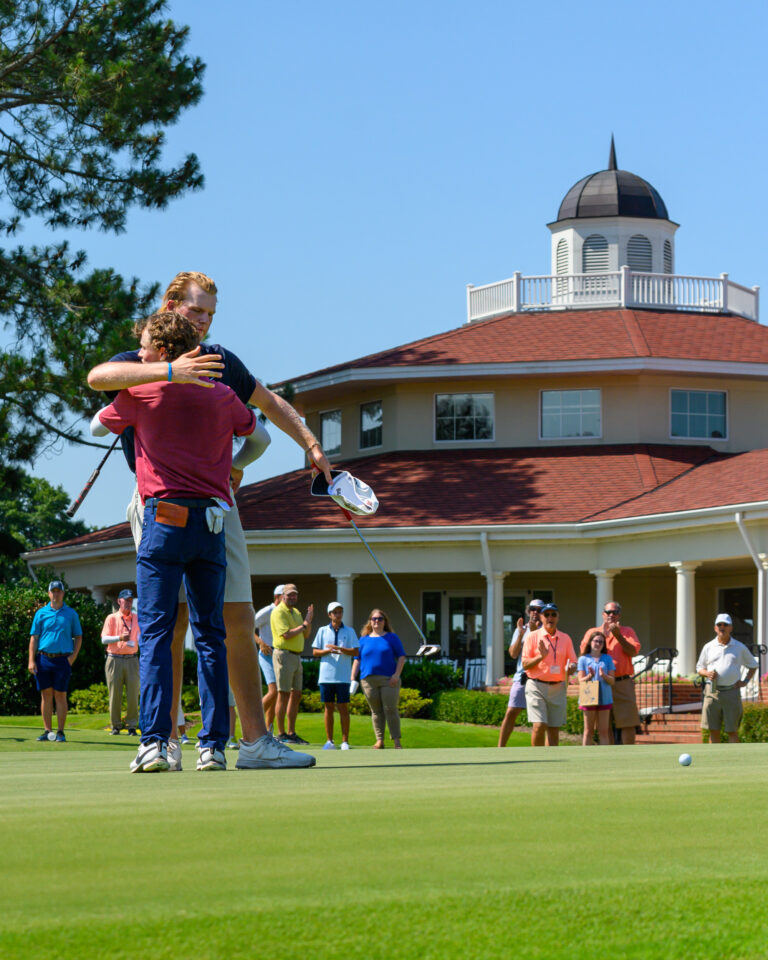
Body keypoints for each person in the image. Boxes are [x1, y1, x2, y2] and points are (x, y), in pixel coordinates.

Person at [87, 270, 331, 770]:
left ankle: (253, 743)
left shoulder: (221, 364)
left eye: (211, 315)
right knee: (171, 625)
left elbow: (269, 406)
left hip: (215, 504)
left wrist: (306, 444)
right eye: (196, 311)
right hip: (157, 505)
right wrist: (168, 372)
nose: (203, 323)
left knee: (234, 617)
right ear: (172, 305)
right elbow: (99, 378)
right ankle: (170, 741)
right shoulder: (141, 358)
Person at [28, 580, 82, 743]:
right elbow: (34, 638)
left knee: (60, 695)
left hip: (62, 660)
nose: (56, 594)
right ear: (49, 593)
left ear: (63, 593)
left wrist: (72, 657)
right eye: (53, 591)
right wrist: (31, 660)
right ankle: (47, 731)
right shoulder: (41, 613)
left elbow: (78, 637)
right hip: (44, 658)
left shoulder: (71, 614)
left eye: (59, 591)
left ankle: (60, 732)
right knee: (46, 695)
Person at [580, 601, 641, 744]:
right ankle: (608, 757)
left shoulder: (628, 632)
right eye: (608, 612)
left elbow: (633, 652)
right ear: (603, 614)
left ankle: (628, 759)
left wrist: (618, 636)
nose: (611, 615)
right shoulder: (592, 633)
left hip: (622, 682)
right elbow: (583, 654)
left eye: (615, 612)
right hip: (597, 683)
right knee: (603, 726)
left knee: (628, 723)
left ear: (619, 615)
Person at [521, 603, 577, 747]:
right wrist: (540, 656)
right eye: (546, 615)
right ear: (541, 617)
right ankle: (536, 760)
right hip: (536, 685)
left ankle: (550, 763)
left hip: (558, 687)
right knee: (539, 725)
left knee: (553, 730)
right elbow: (525, 664)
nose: (550, 617)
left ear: (558, 617)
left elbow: (573, 662)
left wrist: (572, 667)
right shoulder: (532, 637)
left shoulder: (565, 638)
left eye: (553, 614)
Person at [697, 614, 758, 743]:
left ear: (731, 628)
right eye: (719, 625)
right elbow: (699, 668)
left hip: (731, 692)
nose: (722, 627)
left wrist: (745, 682)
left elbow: (753, 665)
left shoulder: (739, 647)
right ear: (715, 628)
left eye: (725, 625)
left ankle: (734, 760)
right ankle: (714, 760)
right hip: (712, 692)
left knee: (732, 730)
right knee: (713, 729)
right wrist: (707, 673)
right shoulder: (708, 647)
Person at [351, 609, 406, 749]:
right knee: (376, 711)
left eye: (380, 619)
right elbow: (357, 660)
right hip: (368, 681)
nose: (376, 621)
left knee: (390, 709)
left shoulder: (392, 637)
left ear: (384, 621)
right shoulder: (363, 640)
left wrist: (396, 675)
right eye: (374, 618)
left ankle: (396, 741)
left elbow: (401, 656)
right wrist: (352, 678)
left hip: (389, 680)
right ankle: (379, 740)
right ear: (370, 621)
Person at [498, 599, 545, 747]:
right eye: (532, 609)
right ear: (528, 611)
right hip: (522, 678)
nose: (535, 612)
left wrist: (533, 632)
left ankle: (538, 753)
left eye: (539, 609)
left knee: (539, 719)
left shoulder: (547, 630)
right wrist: (520, 634)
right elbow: (512, 654)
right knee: (511, 712)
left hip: (540, 679)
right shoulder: (521, 629)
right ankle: (500, 748)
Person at [312, 601, 359, 750]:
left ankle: (345, 741)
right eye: (335, 612)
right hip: (326, 676)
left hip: (343, 676)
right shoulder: (322, 631)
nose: (338, 615)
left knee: (343, 708)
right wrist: (328, 651)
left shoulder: (350, 631)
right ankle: (329, 741)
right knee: (328, 708)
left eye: (340, 612)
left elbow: (356, 652)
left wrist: (340, 649)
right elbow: (315, 652)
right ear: (330, 615)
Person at [270, 584, 313, 744]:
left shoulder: (296, 612)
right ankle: (281, 733)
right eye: (289, 595)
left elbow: (305, 634)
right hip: (284, 655)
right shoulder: (278, 611)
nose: (292, 597)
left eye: (295, 595)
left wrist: (308, 620)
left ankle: (291, 732)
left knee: (296, 694)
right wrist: (303, 625)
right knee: (284, 693)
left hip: (296, 656)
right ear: (282, 595)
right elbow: (287, 634)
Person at [100, 587, 140, 735]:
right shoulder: (111, 618)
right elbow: (104, 639)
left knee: (133, 694)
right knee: (114, 694)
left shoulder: (137, 618)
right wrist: (119, 638)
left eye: (130, 600)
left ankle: (132, 726)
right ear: (119, 601)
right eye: (125, 600)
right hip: (114, 659)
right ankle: (115, 726)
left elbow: (141, 637)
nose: (128, 603)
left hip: (132, 659)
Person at [254, 585, 284, 732]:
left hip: (278, 655)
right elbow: (248, 627)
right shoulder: (267, 611)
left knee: (277, 693)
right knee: (273, 691)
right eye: (284, 596)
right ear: (277, 597)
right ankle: (253, 722)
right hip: (266, 655)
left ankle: (267, 729)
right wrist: (260, 643)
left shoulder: (283, 613)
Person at [577, 631, 615, 745]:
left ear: (603, 645)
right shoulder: (583, 659)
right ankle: (585, 758)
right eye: (596, 641)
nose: (598, 643)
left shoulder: (607, 659)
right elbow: (580, 680)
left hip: (605, 696)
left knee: (603, 731)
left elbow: (612, 680)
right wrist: (590, 676)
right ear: (590, 642)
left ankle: (605, 758)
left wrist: (604, 675)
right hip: (589, 696)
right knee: (588, 731)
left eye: (601, 642)